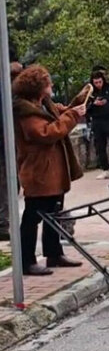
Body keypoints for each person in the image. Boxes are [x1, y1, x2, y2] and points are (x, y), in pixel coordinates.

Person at [12, 65, 88, 275]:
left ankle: (54, 254)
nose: (51, 85)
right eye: (48, 83)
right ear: (39, 87)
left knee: (55, 212)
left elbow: (59, 112)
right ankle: (26, 261)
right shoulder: (25, 111)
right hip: (39, 171)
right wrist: (72, 116)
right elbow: (46, 133)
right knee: (33, 216)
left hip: (52, 170)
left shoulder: (42, 103)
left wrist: (77, 104)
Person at [0, 58, 23, 241]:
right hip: (5, 143)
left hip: (12, 142)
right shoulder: (10, 94)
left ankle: (4, 222)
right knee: (7, 184)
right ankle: (3, 224)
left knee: (11, 184)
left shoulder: (15, 95)